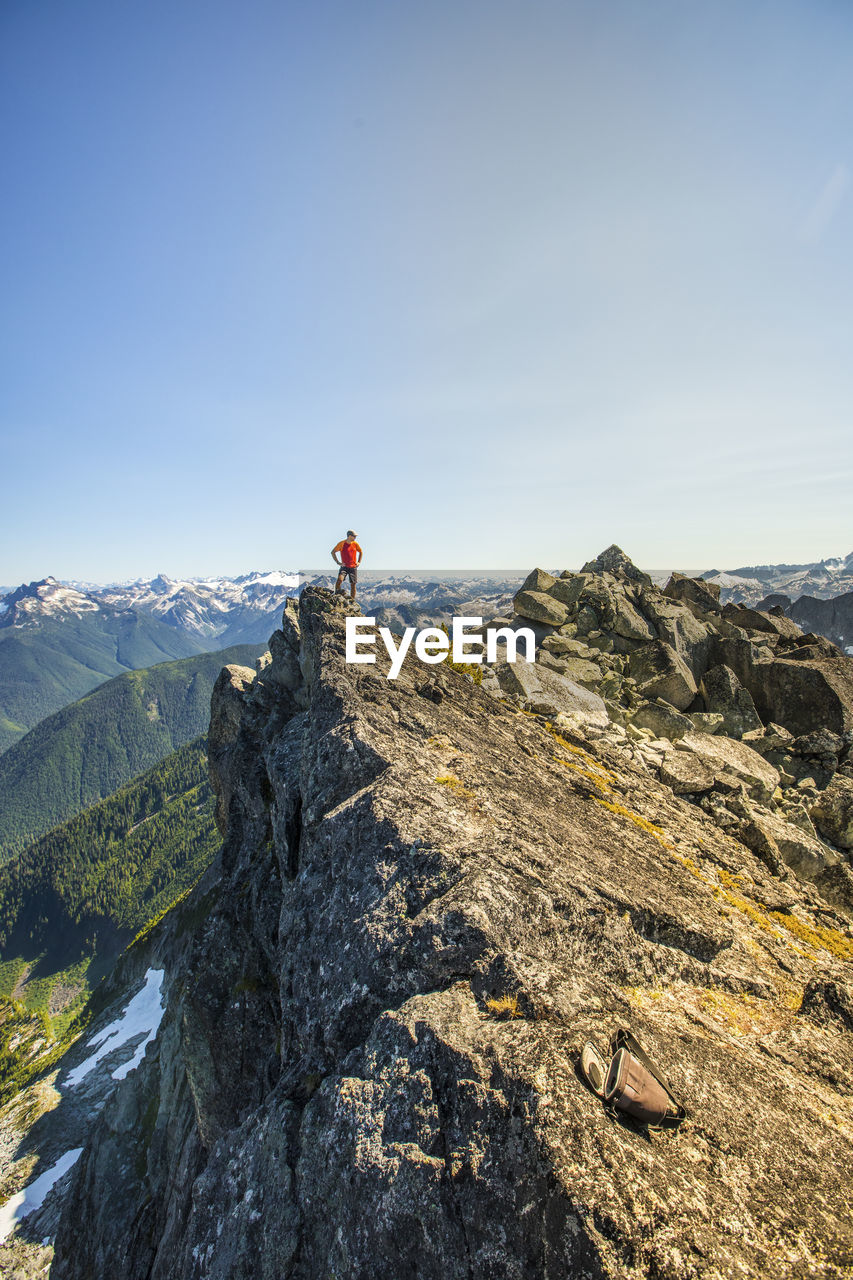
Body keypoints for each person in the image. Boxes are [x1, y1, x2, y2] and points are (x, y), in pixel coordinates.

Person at [332, 530, 362, 600]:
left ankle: (352, 600)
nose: (355, 537)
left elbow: (360, 552)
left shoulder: (355, 544)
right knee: (339, 580)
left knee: (353, 584)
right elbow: (333, 552)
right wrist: (338, 562)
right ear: (349, 536)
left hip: (353, 567)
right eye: (354, 536)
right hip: (344, 567)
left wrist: (359, 562)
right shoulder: (342, 544)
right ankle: (337, 596)